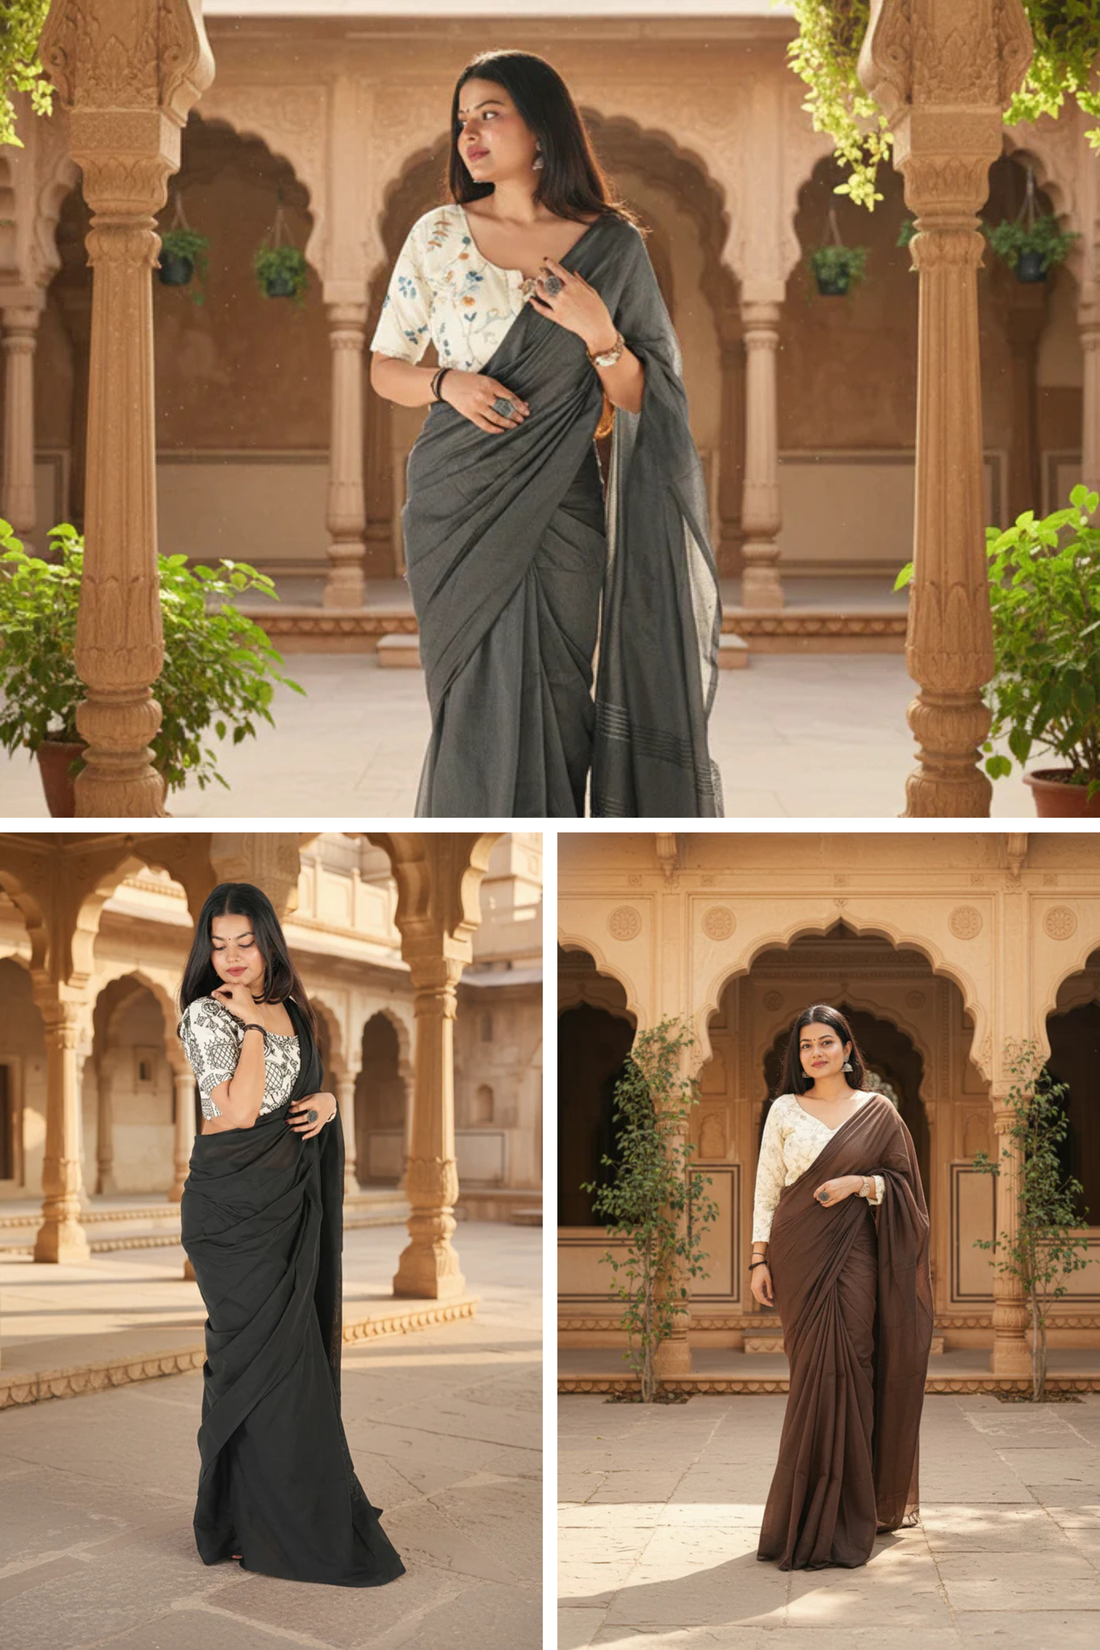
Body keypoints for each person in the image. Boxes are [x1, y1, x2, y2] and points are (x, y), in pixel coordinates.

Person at [370, 48, 722, 819]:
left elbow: (642, 399)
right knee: (469, 705)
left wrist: (601, 333)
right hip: (454, 500)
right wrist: (445, 382)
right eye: (462, 119)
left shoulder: (612, 248)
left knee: (562, 700)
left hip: (562, 504)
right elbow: (384, 367)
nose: (470, 132)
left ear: (542, 128)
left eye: (490, 113)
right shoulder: (437, 236)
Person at [177, 881, 405, 1588]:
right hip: (229, 1214)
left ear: (268, 940)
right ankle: (249, 1521)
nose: (233, 957)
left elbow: (305, 1086)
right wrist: (246, 1022)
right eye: (218, 944)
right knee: (257, 1371)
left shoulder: (292, 1010)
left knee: (293, 1370)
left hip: (285, 1204)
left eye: (245, 941)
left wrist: (332, 1100)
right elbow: (242, 1110)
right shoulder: (207, 1015)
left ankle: (268, 1514)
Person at [750, 1004, 932, 1571]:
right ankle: (804, 1515)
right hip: (796, 1253)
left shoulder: (878, 1111)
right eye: (805, 1046)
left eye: (826, 1042)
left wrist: (860, 1183)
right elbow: (767, 1188)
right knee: (809, 1374)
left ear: (848, 1049)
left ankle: (851, 1511)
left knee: (853, 1363)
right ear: (798, 1057)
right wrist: (759, 1259)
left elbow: (906, 1188)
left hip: (855, 1254)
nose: (816, 1053)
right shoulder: (784, 1108)